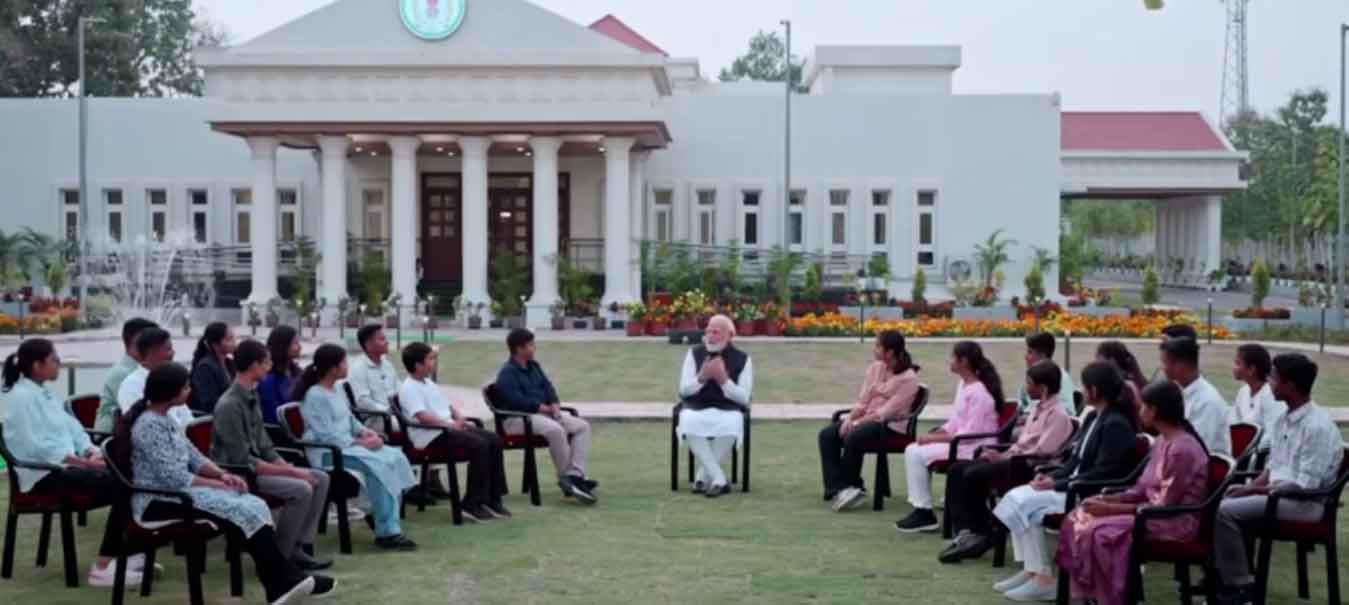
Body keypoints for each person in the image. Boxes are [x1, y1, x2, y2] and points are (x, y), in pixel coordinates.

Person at [117, 362, 335, 603]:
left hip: (181, 493)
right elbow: (173, 477)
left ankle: (279, 582)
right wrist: (216, 485)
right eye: (186, 387)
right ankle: (282, 581)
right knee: (241, 507)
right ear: (171, 392)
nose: (190, 390)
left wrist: (221, 475)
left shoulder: (165, 419)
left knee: (253, 503)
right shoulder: (148, 425)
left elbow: (194, 456)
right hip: (159, 500)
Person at [1, 339, 152, 587]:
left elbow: (73, 428)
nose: (59, 364)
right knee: (125, 485)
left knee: (134, 476)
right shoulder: (18, 398)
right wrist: (84, 464)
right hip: (43, 476)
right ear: (38, 365)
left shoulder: (45, 392)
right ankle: (102, 568)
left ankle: (126, 554)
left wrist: (91, 451)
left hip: (67, 468)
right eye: (54, 360)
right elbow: (35, 446)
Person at [990, 362, 1142, 601]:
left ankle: (1042, 578)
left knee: (1023, 503)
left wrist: (1058, 484)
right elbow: (1074, 461)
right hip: (1071, 484)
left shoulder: (1116, 424)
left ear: (1094, 390)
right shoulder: (1093, 417)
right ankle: (1033, 571)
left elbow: (1104, 473)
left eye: (1084, 385)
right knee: (1019, 500)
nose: (1080, 390)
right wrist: (1052, 477)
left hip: (1087, 493)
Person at [1055, 380, 1210, 605]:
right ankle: (1091, 596)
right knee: (1076, 517)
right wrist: (1108, 498)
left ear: (1154, 410)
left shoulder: (1182, 449)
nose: (1139, 410)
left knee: (1101, 532)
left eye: (1143, 406)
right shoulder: (1163, 441)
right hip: (1148, 513)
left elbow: (1165, 505)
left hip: (1174, 522)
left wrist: (1110, 509)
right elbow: (1142, 488)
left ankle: (1112, 598)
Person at [1211, 353, 1344, 605]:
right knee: (1218, 501)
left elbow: (1304, 486)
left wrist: (1255, 492)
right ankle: (1224, 579)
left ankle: (1239, 587)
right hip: (1279, 496)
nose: (1269, 383)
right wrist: (1249, 487)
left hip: (1306, 504)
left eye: (1273, 378)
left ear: (1290, 385)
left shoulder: (1316, 426)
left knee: (1224, 511)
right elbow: (1273, 469)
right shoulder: (1284, 418)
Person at [210, 339, 332, 571]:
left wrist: (289, 467)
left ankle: (299, 546)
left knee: (321, 478)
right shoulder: (229, 405)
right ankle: (280, 557)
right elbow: (242, 459)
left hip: (257, 467)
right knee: (302, 488)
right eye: (266, 362)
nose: (269, 367)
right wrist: (292, 473)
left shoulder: (251, 395)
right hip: (240, 474)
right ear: (254, 365)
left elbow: (265, 446)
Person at [939, 360, 1076, 563]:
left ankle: (984, 531)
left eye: (1029, 383)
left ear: (1043, 388)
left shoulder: (1058, 415)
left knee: (973, 474)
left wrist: (1004, 457)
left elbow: (1042, 452)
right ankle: (968, 531)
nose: (1026, 387)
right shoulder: (1036, 409)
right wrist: (999, 454)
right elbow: (1020, 444)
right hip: (1014, 460)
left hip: (1029, 468)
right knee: (957, 470)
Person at [295, 344, 417, 551]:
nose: (347, 366)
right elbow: (326, 434)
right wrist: (361, 443)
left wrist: (367, 433)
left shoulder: (337, 389)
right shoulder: (315, 395)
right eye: (344, 362)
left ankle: (384, 519)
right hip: (328, 453)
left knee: (394, 456)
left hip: (349, 447)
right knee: (378, 464)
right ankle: (387, 532)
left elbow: (350, 419)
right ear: (332, 368)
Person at [894, 341, 1002, 533]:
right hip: (961, 443)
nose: (949, 361)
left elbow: (969, 434)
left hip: (974, 447)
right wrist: (938, 432)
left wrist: (933, 439)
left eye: (953, 357)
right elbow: (955, 422)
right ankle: (922, 510)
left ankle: (924, 513)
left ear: (964, 361)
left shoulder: (979, 393)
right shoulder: (964, 385)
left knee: (915, 453)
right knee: (913, 449)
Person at [398, 342, 510, 521]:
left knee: (494, 440)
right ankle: (471, 503)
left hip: (446, 429)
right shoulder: (409, 388)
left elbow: (448, 406)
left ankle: (492, 498)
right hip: (430, 436)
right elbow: (422, 417)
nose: (434, 362)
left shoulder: (429, 383)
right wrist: (450, 425)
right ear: (418, 365)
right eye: (430, 359)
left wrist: (459, 418)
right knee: (480, 445)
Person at [818, 330, 921, 511]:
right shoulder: (875, 368)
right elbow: (863, 400)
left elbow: (885, 413)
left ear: (889, 352)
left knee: (854, 435)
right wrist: (850, 418)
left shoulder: (908, 379)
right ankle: (839, 489)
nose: (874, 349)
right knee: (827, 435)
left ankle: (852, 485)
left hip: (890, 426)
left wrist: (856, 423)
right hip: (868, 420)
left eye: (877, 346)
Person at [495, 328, 598, 504]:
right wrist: (543, 408)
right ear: (519, 348)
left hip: (542, 416)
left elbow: (548, 387)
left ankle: (575, 475)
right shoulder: (507, 373)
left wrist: (555, 404)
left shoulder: (534, 366)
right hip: (517, 419)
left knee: (582, 426)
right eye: (530, 345)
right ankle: (568, 479)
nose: (534, 347)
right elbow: (515, 401)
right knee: (556, 430)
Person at [675, 314, 753, 499]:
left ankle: (702, 476)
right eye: (708, 331)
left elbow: (744, 398)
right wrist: (701, 378)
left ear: (730, 335)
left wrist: (724, 381)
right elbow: (683, 391)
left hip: (728, 409)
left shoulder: (743, 359)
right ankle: (719, 479)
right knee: (688, 420)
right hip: (697, 407)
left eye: (716, 332)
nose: (710, 336)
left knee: (733, 422)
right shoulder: (694, 353)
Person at [1158, 337, 1232, 455]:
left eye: (1164, 362)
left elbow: (1197, 449)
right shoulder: (1178, 390)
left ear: (1181, 365)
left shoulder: (1208, 401)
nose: (1162, 368)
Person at [118, 326, 193, 428]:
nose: (173, 353)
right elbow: (139, 425)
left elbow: (188, 420)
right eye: (168, 349)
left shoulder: (170, 379)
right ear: (151, 353)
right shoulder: (131, 385)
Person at [94, 318, 157, 432]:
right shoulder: (122, 374)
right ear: (135, 343)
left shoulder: (148, 369)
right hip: (112, 437)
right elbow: (144, 414)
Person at [1228, 343, 1281, 449]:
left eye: (1238, 363)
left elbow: (1272, 435)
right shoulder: (1243, 392)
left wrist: (1249, 450)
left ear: (1251, 369)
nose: (1234, 368)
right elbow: (1233, 422)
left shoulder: (1271, 396)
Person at [346, 324, 399, 427]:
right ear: (368, 344)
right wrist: (387, 411)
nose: (387, 342)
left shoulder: (387, 365)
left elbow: (397, 390)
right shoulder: (358, 368)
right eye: (382, 339)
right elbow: (362, 401)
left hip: (394, 414)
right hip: (376, 419)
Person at [1016, 333, 1076, 417]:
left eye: (1030, 352)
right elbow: (1022, 405)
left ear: (1042, 356)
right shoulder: (1030, 376)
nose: (1025, 357)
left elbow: (1068, 413)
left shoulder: (1062, 378)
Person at [189, 321, 236, 414]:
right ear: (216, 345)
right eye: (229, 339)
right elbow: (210, 403)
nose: (234, 342)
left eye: (233, 338)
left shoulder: (230, 363)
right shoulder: (205, 368)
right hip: (214, 417)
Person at [259, 325, 301, 424]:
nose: (300, 347)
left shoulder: (296, 372)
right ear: (283, 346)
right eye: (295, 343)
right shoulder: (268, 378)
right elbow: (274, 415)